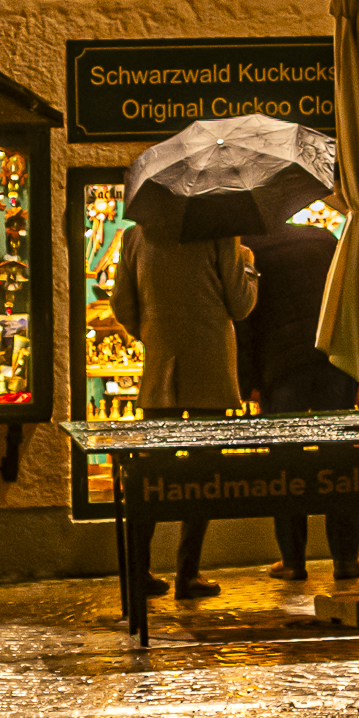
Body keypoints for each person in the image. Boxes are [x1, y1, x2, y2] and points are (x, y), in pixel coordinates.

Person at [110, 215, 257, 599]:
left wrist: (151, 335)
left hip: (161, 373)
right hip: (211, 372)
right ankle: (187, 574)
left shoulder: (135, 235)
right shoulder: (220, 230)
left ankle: (138, 572)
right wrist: (248, 265)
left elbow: (121, 303)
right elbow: (240, 306)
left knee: (152, 473)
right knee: (203, 476)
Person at [240, 218, 359, 582]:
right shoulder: (323, 240)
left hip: (282, 367)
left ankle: (293, 559)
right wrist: (357, 368)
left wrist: (248, 381)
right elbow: (348, 301)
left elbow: (246, 317)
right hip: (334, 360)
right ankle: (345, 557)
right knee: (338, 460)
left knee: (287, 464)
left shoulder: (249, 248)